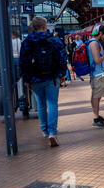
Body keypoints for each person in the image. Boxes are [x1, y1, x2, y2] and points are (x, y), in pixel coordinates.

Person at [19, 16, 68, 147]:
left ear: (33, 27)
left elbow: (23, 62)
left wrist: (27, 79)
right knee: (52, 104)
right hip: (52, 77)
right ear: (45, 27)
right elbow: (63, 57)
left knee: (41, 104)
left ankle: (44, 131)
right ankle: (52, 132)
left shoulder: (27, 42)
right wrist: (62, 73)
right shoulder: (54, 40)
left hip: (35, 79)